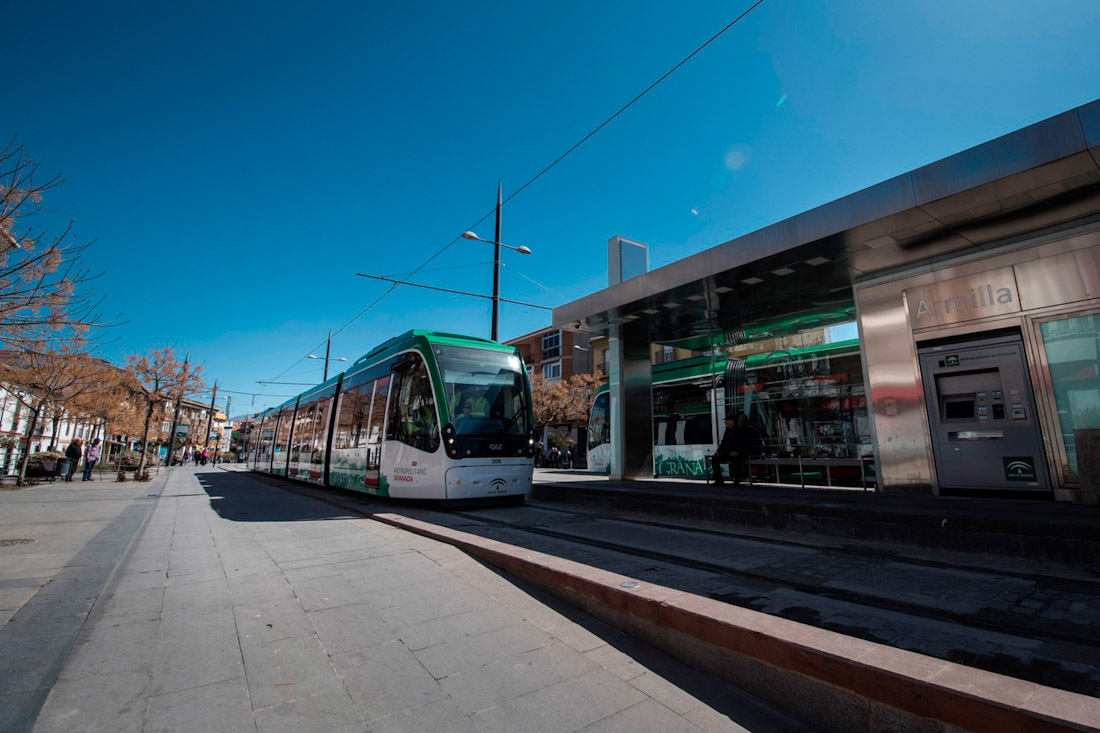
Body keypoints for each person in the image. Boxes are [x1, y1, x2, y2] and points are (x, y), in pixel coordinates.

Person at [712, 414, 762, 486]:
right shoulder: (727, 430)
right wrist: (718, 451)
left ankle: (737, 480)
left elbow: (742, 443)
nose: (725, 422)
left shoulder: (740, 430)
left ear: (732, 421)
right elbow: (723, 443)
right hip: (729, 452)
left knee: (736, 460)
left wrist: (737, 451)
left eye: (727, 421)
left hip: (739, 452)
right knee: (715, 459)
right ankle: (718, 480)